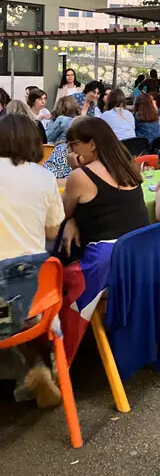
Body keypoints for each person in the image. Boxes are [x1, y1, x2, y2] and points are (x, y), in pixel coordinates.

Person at [0, 114, 64, 407]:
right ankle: (37, 366)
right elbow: (52, 231)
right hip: (36, 293)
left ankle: (29, 369)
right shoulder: (45, 177)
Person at [61, 117, 149, 255]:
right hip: (140, 251)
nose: (71, 151)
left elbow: (62, 214)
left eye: (74, 144)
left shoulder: (81, 176)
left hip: (106, 257)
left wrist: (75, 169)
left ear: (92, 144)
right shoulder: (129, 165)